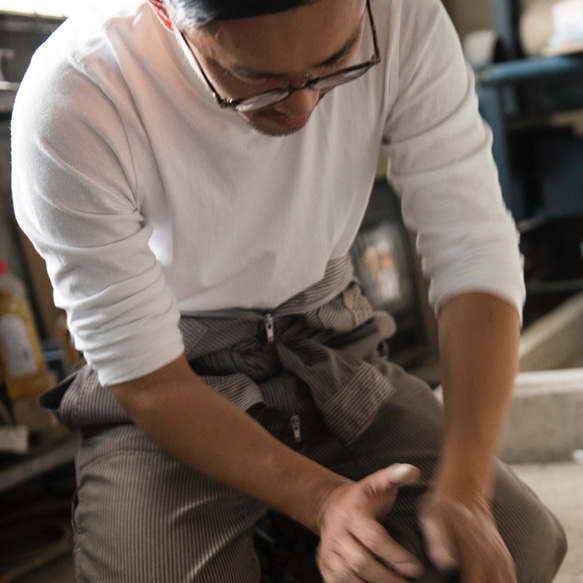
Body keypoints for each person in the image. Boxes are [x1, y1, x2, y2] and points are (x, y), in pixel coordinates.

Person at [11, 0, 567, 581]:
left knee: (515, 545)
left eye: (335, 63)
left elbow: (473, 250)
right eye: (254, 80)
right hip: (173, 377)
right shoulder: (75, 95)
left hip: (323, 335)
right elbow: (146, 376)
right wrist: (323, 500)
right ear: (164, 11)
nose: (302, 107)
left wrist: (466, 490)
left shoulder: (401, 16)